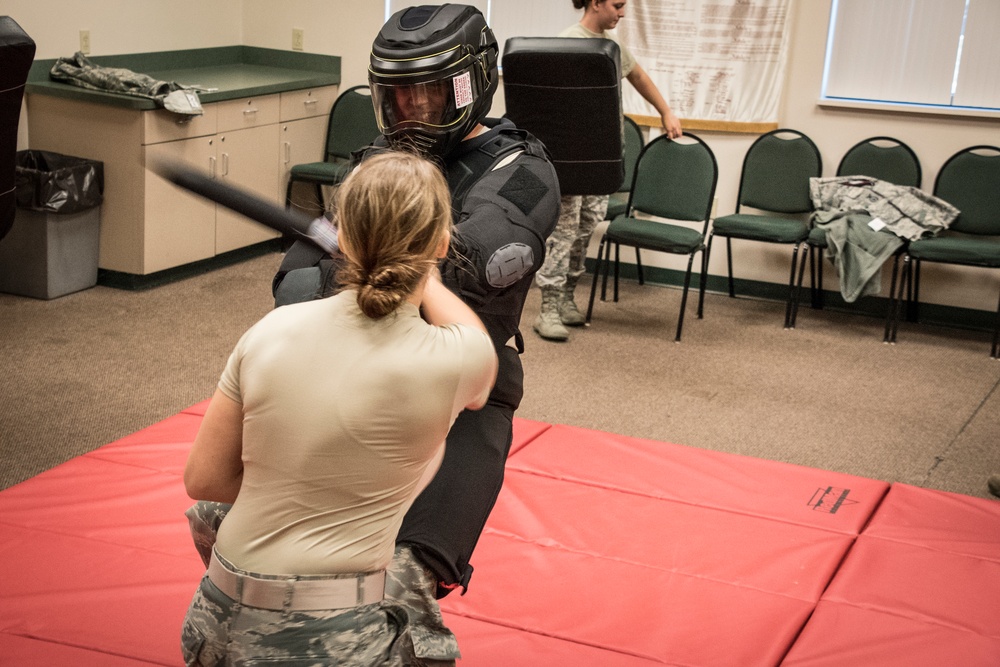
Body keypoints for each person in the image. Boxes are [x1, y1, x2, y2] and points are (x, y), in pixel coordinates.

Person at [187, 5, 560, 665]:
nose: (413, 111)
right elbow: (298, 281)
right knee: (212, 511)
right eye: (399, 96)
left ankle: (403, 604)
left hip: (446, 383)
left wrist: (360, 253)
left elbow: (476, 265)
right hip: (352, 357)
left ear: (474, 84)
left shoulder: (519, 169)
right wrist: (377, 263)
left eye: (431, 92)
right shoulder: (380, 159)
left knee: (410, 574)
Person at [180, 151, 498, 666]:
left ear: (343, 237)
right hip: (328, 635)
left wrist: (292, 481)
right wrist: (426, 276)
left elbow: (205, 481)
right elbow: (474, 342)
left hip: (214, 621)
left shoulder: (271, 331)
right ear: (441, 242)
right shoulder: (460, 359)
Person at [533, 0, 683, 341]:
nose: (623, 12)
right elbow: (551, 102)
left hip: (602, 157)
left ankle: (568, 297)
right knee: (563, 234)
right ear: (596, 2)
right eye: (617, 4)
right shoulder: (568, 42)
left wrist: (666, 112)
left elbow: (638, 76)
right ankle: (548, 309)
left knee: (586, 228)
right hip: (572, 157)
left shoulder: (611, 46)